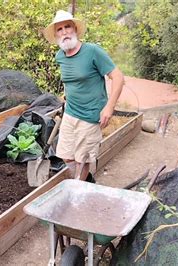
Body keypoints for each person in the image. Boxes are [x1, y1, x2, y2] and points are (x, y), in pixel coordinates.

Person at [43, 10, 124, 182]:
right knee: (65, 155)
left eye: (68, 27)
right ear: (56, 35)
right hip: (71, 113)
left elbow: (118, 77)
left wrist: (109, 107)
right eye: (60, 29)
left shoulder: (92, 52)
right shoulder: (60, 56)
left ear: (75, 30)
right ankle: (86, 181)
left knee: (83, 159)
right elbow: (71, 80)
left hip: (91, 115)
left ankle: (79, 187)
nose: (64, 32)